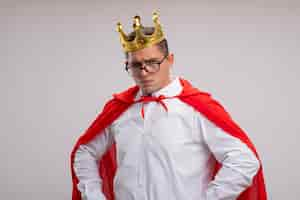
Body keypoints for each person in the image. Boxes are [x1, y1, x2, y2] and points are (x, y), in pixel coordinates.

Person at [70, 11, 267, 200]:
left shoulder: (196, 107)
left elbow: (244, 160)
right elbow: (84, 151)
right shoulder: (120, 108)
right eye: (136, 65)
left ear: (170, 60)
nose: (144, 72)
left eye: (152, 62)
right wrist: (94, 195)